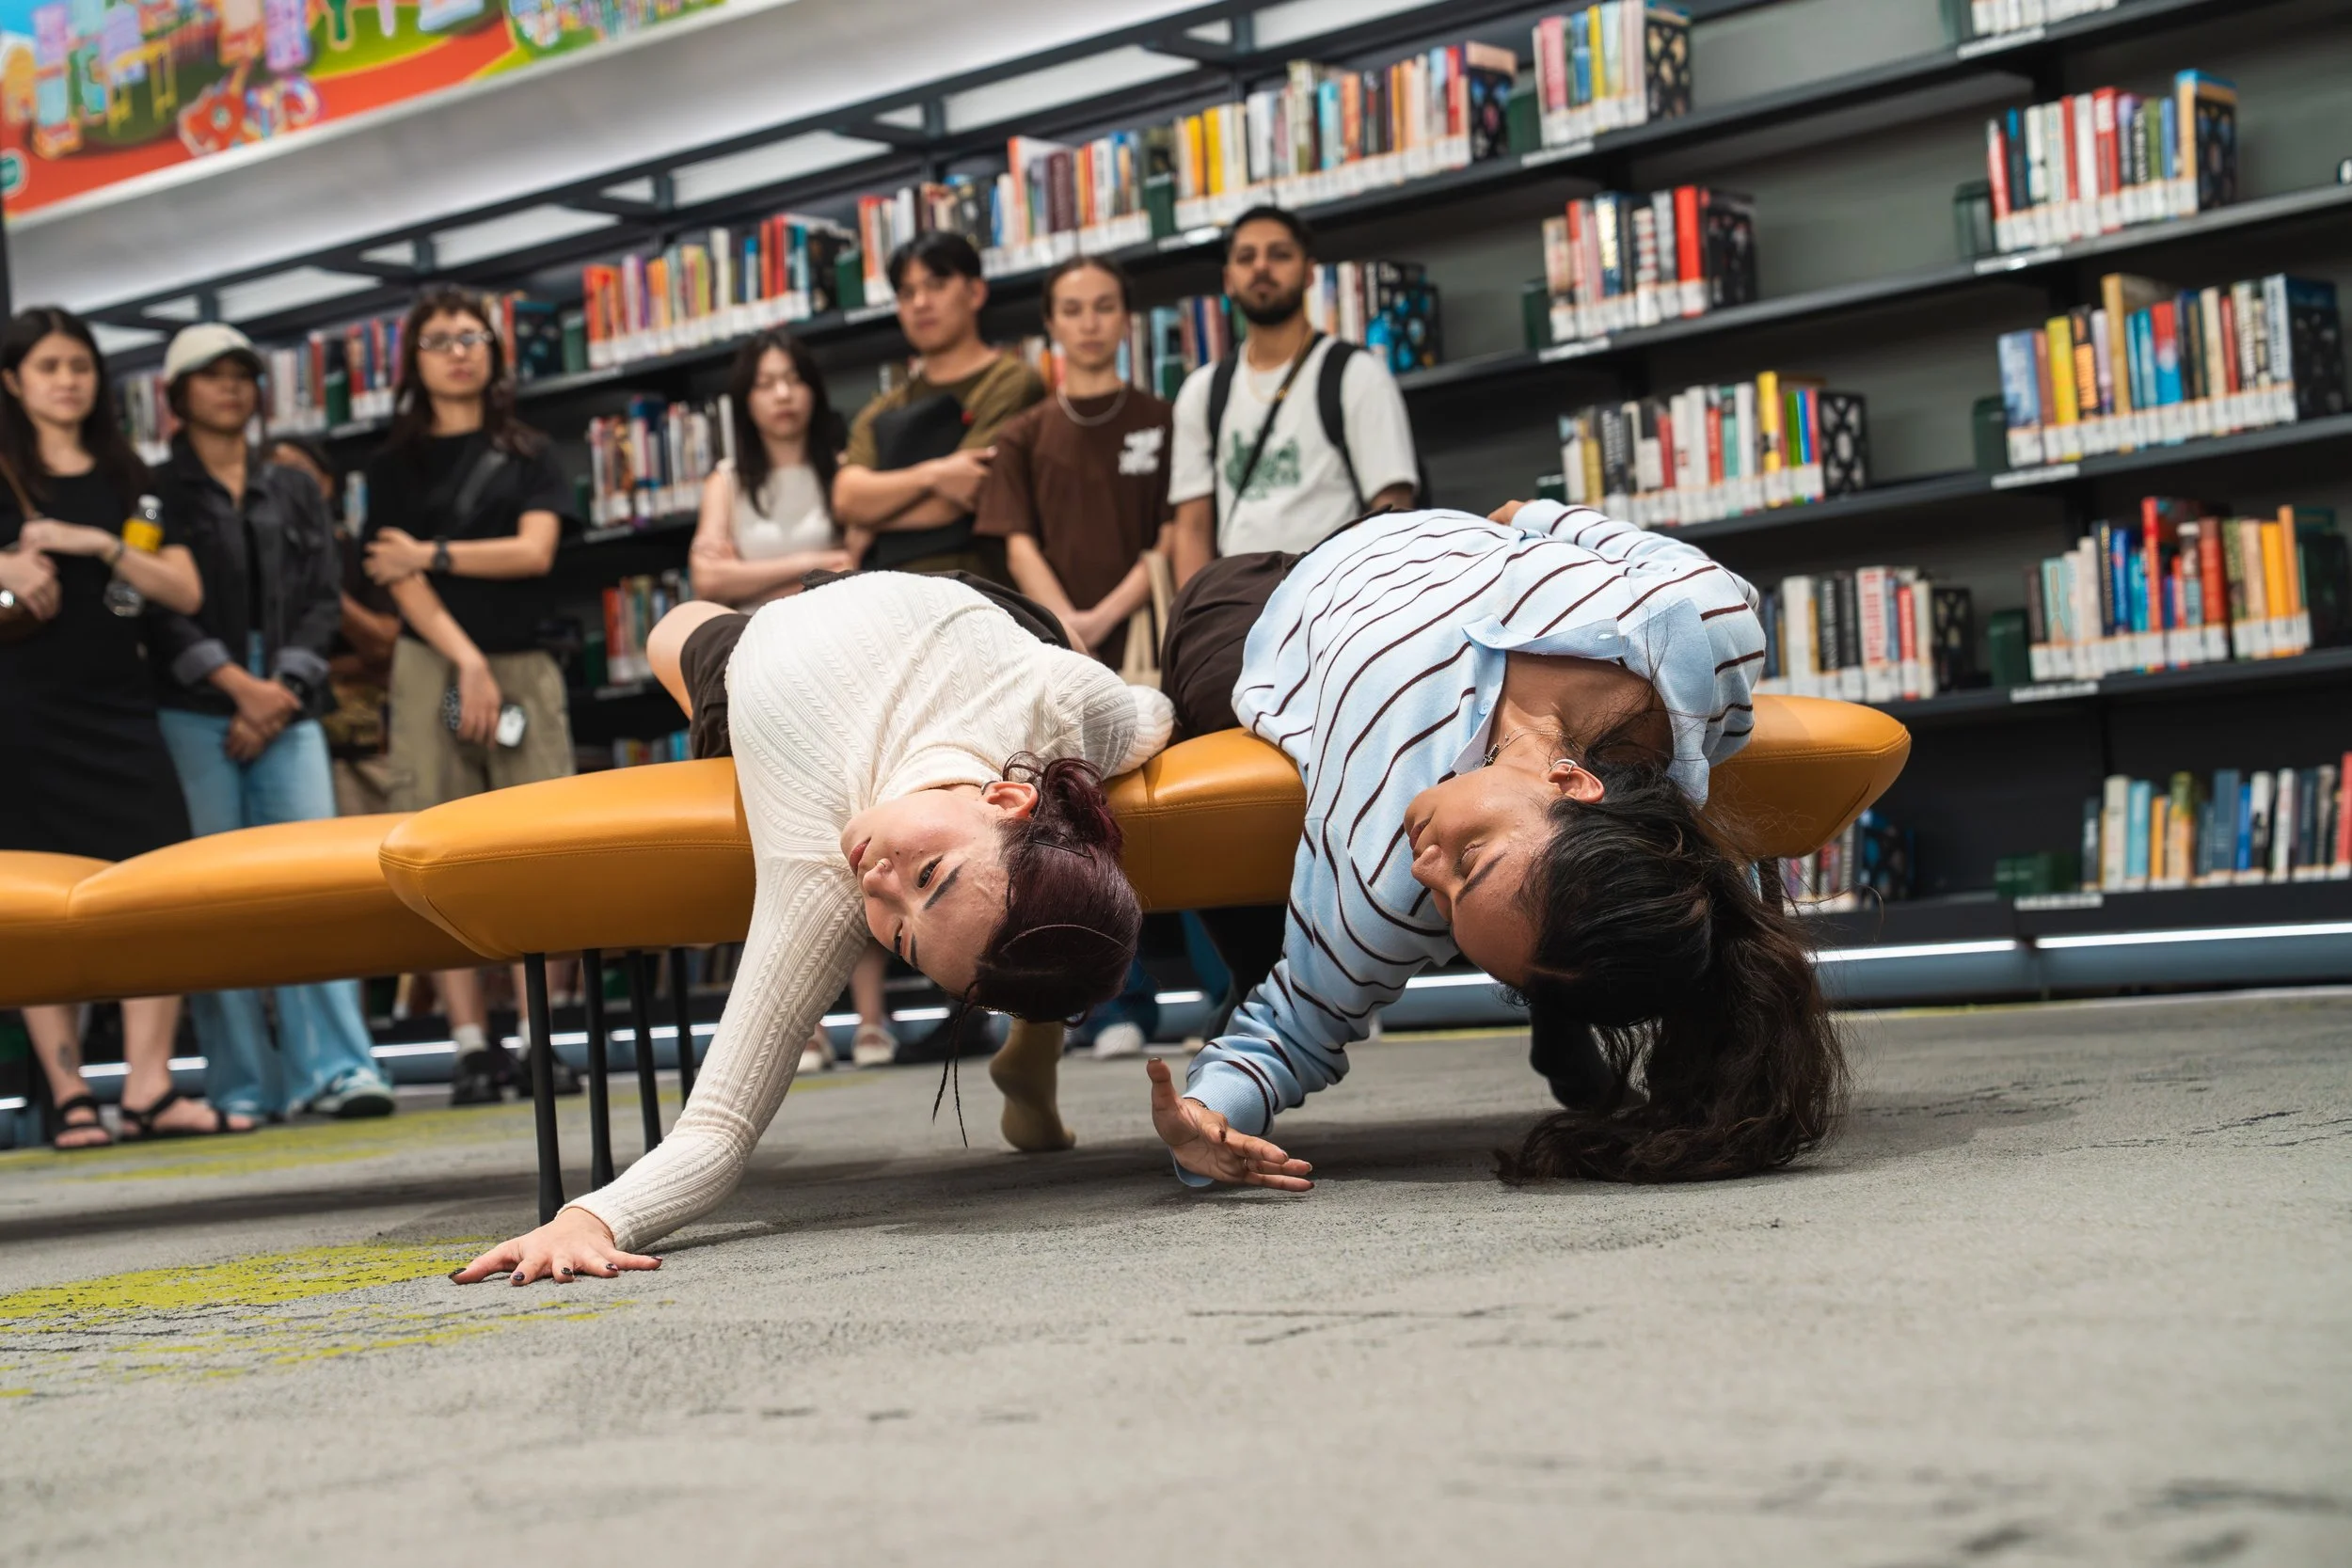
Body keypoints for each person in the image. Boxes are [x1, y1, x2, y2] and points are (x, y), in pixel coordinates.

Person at [452, 570, 1172, 1285]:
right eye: (930, 876)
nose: (878, 884)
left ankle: (1031, 1034)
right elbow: (1153, 712)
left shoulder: (819, 870)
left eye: (899, 938)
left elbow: (719, 1127)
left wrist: (590, 1219)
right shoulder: (1060, 696)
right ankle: (1033, 1028)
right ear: (1011, 796)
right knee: (1062, 674)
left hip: (766, 661)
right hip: (947, 602)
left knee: (673, 626)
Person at [1142, 500, 1846, 1194]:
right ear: (1572, 782)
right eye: (1470, 861)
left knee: (1272, 916)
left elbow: (1290, 1027)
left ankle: (1550, 994)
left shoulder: (1383, 878)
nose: (1426, 867)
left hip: (1260, 612)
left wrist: (1206, 1117)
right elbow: (1669, 563)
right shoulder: (1693, 637)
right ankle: (1558, 1006)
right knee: (1539, 901)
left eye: (1448, 907)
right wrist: (1540, 516)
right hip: (1431, 535)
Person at [0, 306, 250, 1148]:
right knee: (36, 899)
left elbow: (183, 588)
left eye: (80, 365)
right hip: (23, 707)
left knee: (154, 886)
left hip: (120, 704)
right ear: (13, 380)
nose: (67, 380)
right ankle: (70, 1093)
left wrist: (95, 542)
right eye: (48, 366)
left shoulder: (129, 474)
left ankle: (149, 1087)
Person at [140, 325, 398, 1122]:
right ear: (176, 394)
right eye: (211, 375)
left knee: (312, 887)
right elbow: (149, 604)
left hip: (290, 696)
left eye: (243, 374)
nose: (230, 387)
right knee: (208, 897)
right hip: (193, 701)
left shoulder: (293, 486)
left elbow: (323, 596)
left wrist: (278, 690)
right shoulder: (151, 490)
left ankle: (341, 1070)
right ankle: (242, 1084)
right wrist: (234, 685)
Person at [360, 288, 580, 1105]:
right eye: (439, 340)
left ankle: (539, 1038)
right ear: (411, 362)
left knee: (545, 847)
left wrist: (434, 551)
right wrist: (466, 661)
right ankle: (469, 1045)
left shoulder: (531, 452)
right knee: (436, 847)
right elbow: (393, 577)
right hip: (432, 665)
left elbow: (534, 551)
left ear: (493, 351)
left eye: (472, 336)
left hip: (525, 664)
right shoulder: (391, 466)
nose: (458, 351)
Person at [976, 252, 1175, 1063]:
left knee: (1166, 813)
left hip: (1147, 642)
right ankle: (1094, 1004)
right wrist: (1067, 619)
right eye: (1072, 308)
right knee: (1074, 826)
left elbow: (1174, 533)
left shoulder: (1164, 420)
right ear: (1051, 325)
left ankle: (1229, 991)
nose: (1089, 322)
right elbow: (1016, 541)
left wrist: (1109, 610)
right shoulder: (1024, 433)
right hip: (1052, 651)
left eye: (1103, 306)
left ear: (1125, 319)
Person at [689, 329, 896, 1073]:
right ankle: (801, 1027)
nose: (781, 394)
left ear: (814, 389)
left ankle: (871, 1019)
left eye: (793, 379)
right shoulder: (727, 480)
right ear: (745, 401)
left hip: (840, 657)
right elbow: (707, 579)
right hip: (762, 668)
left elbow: (857, 565)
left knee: (856, 834)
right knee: (782, 841)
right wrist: (810, 564)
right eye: (765, 382)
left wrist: (759, 572)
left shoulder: (844, 470)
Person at [1166, 206, 1419, 585]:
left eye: (1280, 254)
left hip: (1336, 598)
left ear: (1310, 273)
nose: (1261, 267)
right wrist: (1196, 613)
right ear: (1228, 280)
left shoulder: (1357, 374)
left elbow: (1393, 508)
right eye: (1246, 257)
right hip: (1239, 605)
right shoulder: (1201, 392)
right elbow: (1192, 529)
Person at [832, 231, 1043, 578]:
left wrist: (872, 522)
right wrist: (936, 475)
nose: (920, 303)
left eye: (936, 285)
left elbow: (963, 495)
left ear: (975, 292)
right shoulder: (885, 406)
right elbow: (847, 498)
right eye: (906, 293)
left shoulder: (1012, 382)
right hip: (890, 593)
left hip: (979, 587)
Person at [270, 434, 401, 818]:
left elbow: (387, 649)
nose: (285, 486)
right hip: (272, 736)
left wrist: (320, 581)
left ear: (327, 483)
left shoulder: (359, 553)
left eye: (297, 472)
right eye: (271, 475)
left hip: (359, 748)